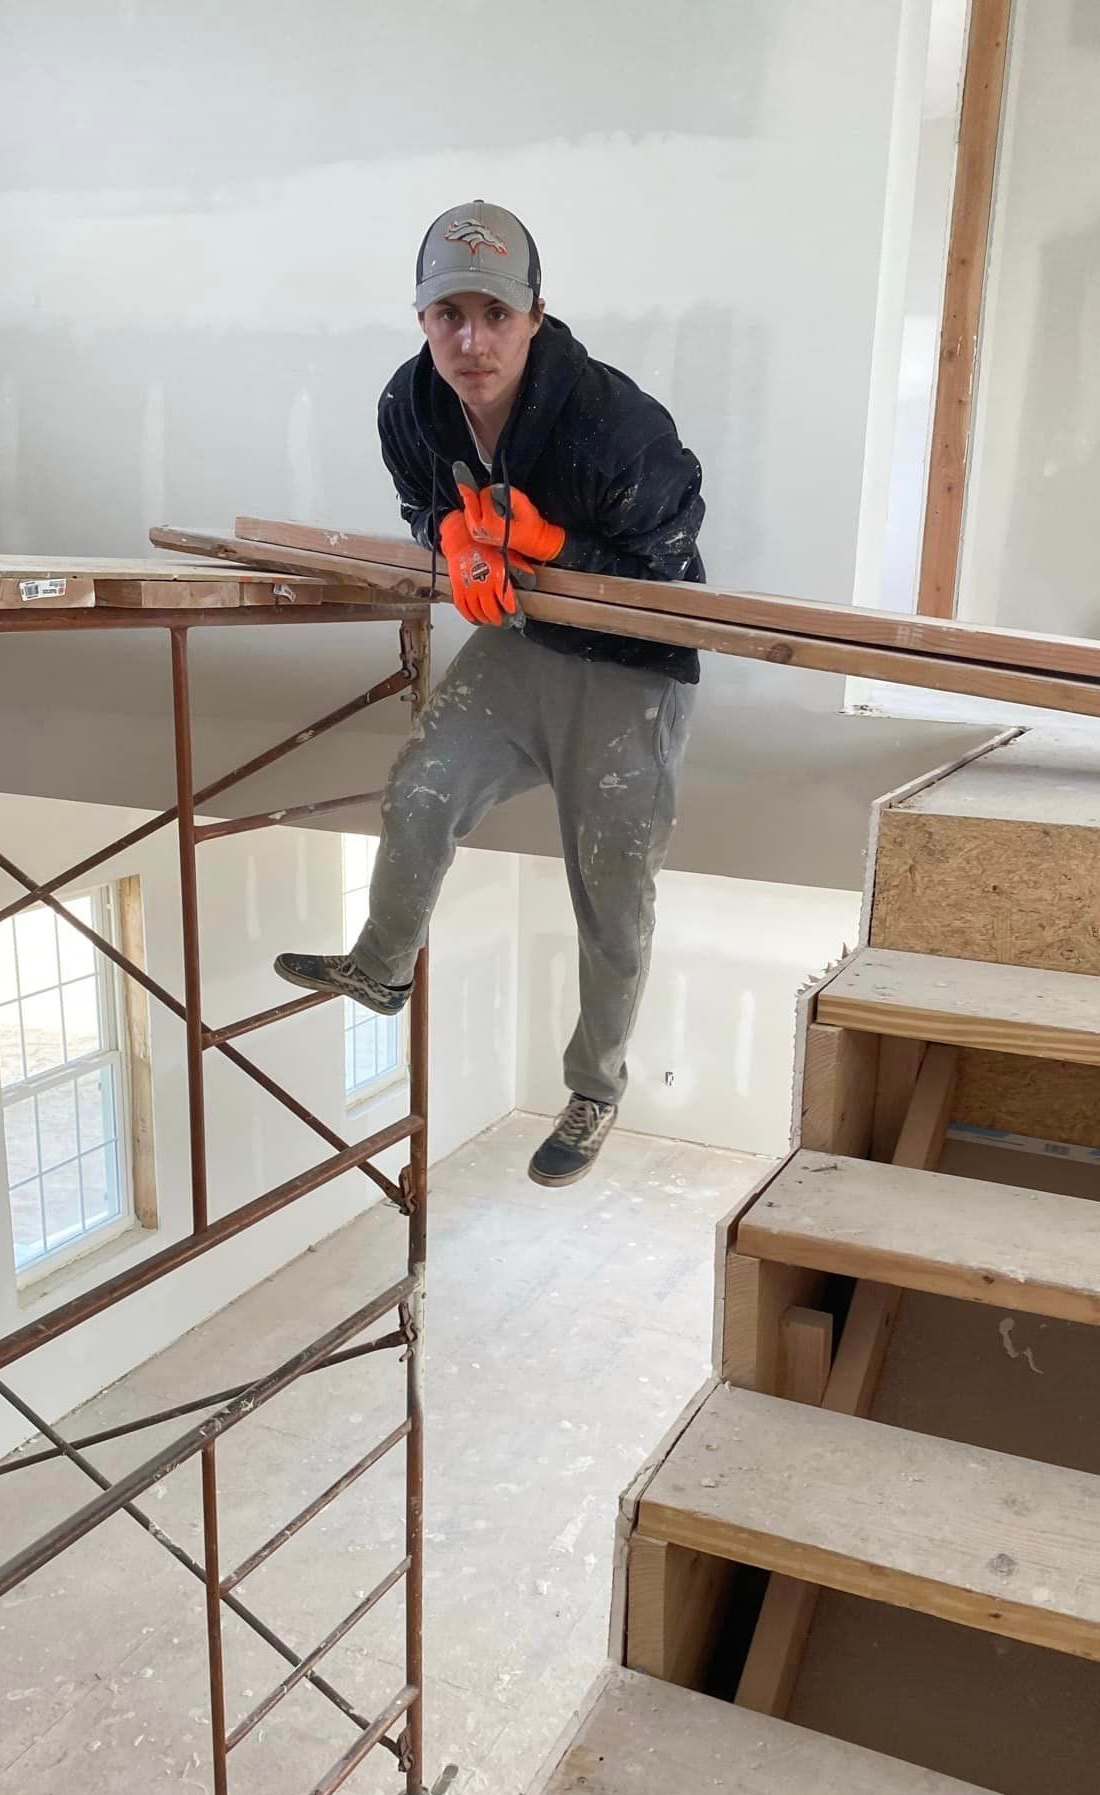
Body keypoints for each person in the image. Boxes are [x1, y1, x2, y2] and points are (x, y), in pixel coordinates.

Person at [274, 200, 705, 1187]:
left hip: (634, 661)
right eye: (450, 315)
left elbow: (671, 563)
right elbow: (423, 501)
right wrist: (452, 539)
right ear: (422, 317)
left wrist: (553, 546)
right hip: (523, 645)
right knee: (422, 787)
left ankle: (595, 1086)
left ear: (535, 315)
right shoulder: (410, 405)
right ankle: (382, 966)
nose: (472, 342)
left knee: (612, 886)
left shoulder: (614, 423)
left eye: (496, 315)